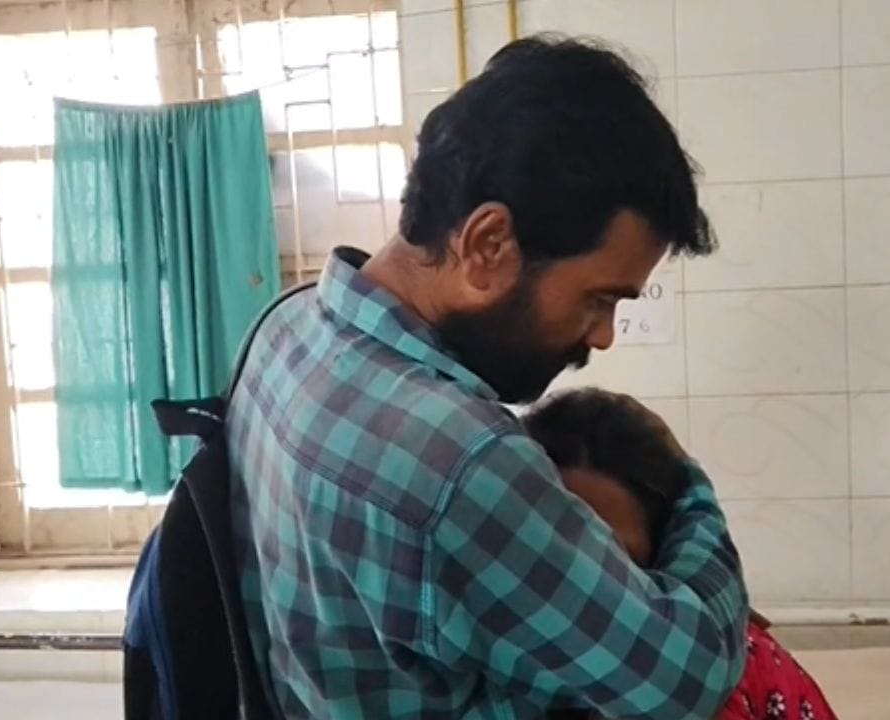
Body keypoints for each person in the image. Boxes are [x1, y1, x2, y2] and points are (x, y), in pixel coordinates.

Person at [226, 34, 748, 719]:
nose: (602, 335)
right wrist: (685, 487)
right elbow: (685, 679)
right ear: (487, 244)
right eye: (599, 298)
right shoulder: (460, 461)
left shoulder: (284, 328)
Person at [524, 388, 839, 720]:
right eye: (560, 558)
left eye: (616, 561)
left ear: (663, 549)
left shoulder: (723, 676)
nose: (587, 589)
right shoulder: (496, 668)